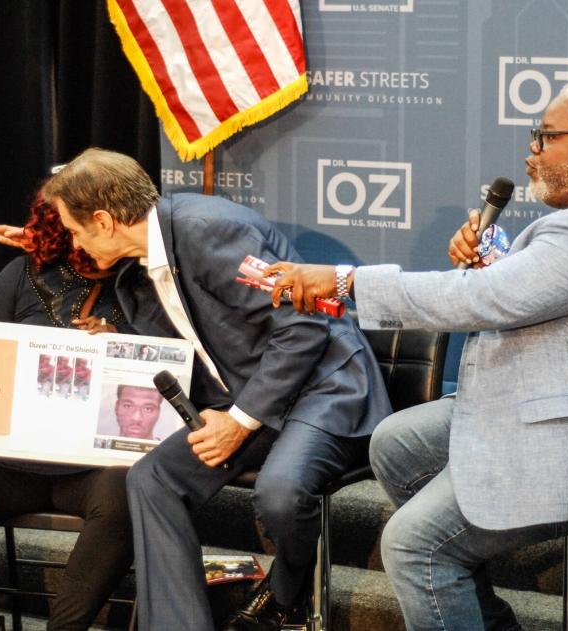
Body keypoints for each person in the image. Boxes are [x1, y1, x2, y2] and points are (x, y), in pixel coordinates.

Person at [264, 78, 568, 629]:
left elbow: (481, 301)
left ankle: (445, 567)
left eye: (546, 137)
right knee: (398, 443)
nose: (531, 152)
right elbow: (530, 294)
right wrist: (499, 262)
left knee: (416, 546)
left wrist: (345, 281)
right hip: (547, 401)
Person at [41, 148, 391, 631]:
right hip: (252, 395)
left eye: (75, 231)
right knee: (150, 479)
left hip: (322, 386)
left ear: (102, 220)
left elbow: (303, 328)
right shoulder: (139, 266)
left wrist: (239, 420)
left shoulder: (208, 229)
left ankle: (287, 586)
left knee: (282, 491)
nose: (75, 244)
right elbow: (203, 336)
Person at [0, 186, 134, 631]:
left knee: (131, 491)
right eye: (66, 231)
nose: (78, 243)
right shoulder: (24, 274)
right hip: (12, 460)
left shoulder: (144, 280)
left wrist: (121, 341)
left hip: (96, 467)